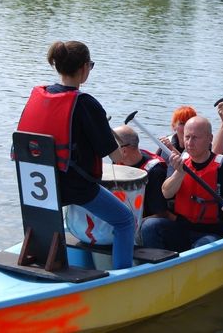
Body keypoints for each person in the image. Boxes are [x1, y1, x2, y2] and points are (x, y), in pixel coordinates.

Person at [16, 41, 134, 269]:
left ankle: (48, 254)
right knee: (125, 220)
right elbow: (115, 156)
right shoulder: (86, 104)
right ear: (83, 69)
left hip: (37, 186)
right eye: (90, 65)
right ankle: (123, 275)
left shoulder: (40, 95)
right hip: (76, 188)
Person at [142, 116, 223, 252]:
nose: (189, 143)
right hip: (181, 227)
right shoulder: (179, 161)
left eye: (195, 138)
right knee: (149, 226)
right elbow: (167, 193)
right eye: (187, 137)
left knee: (202, 246)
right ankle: (158, 265)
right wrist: (180, 172)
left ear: (209, 138)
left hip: (211, 232)